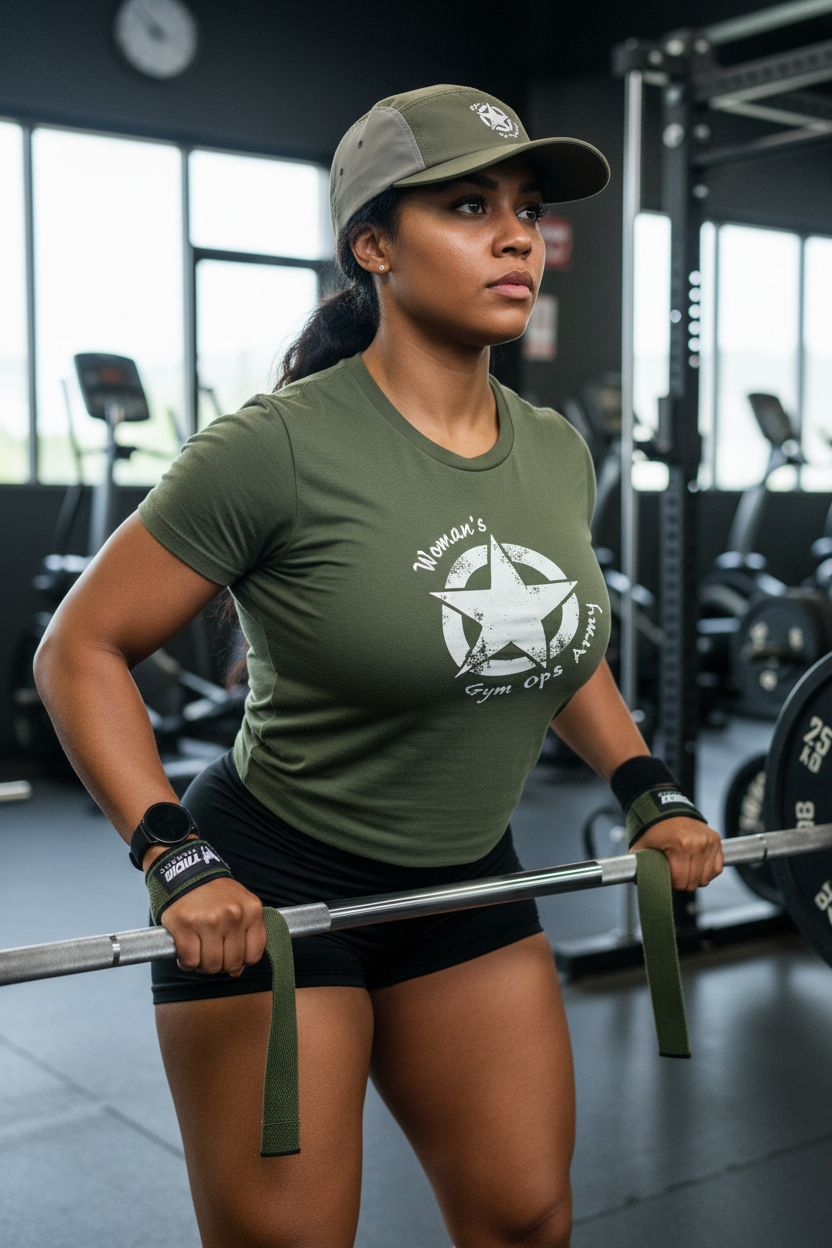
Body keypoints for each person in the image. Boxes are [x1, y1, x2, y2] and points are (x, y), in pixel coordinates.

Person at [35, 85, 723, 1248]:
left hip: (465, 879)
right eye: (467, 206)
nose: (517, 236)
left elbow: (555, 647)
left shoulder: (555, 452)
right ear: (372, 246)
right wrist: (174, 855)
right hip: (273, 890)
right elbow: (79, 648)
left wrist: (645, 790)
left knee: (525, 1218)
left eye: (525, 208)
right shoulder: (277, 446)